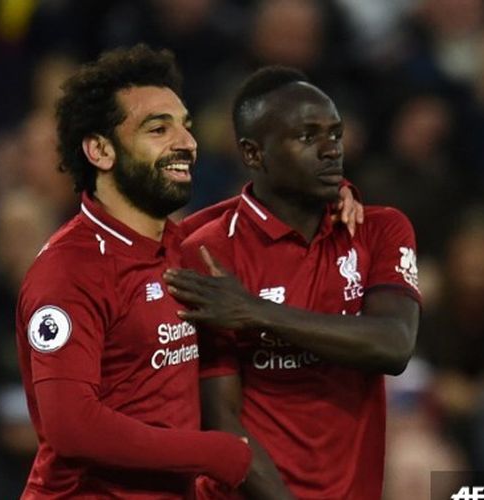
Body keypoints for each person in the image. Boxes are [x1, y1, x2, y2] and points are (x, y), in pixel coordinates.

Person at [165, 67, 421, 499]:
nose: (331, 150)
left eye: (335, 134)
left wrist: (256, 312)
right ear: (253, 154)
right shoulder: (208, 254)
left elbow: (393, 345)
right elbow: (220, 417)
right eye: (307, 137)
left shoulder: (380, 229)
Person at [15, 44, 253, 499]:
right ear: (101, 150)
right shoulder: (69, 269)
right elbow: (72, 427)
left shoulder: (180, 246)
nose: (187, 142)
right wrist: (210, 453)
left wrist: (336, 197)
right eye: (158, 129)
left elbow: (264, 217)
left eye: (185, 126)